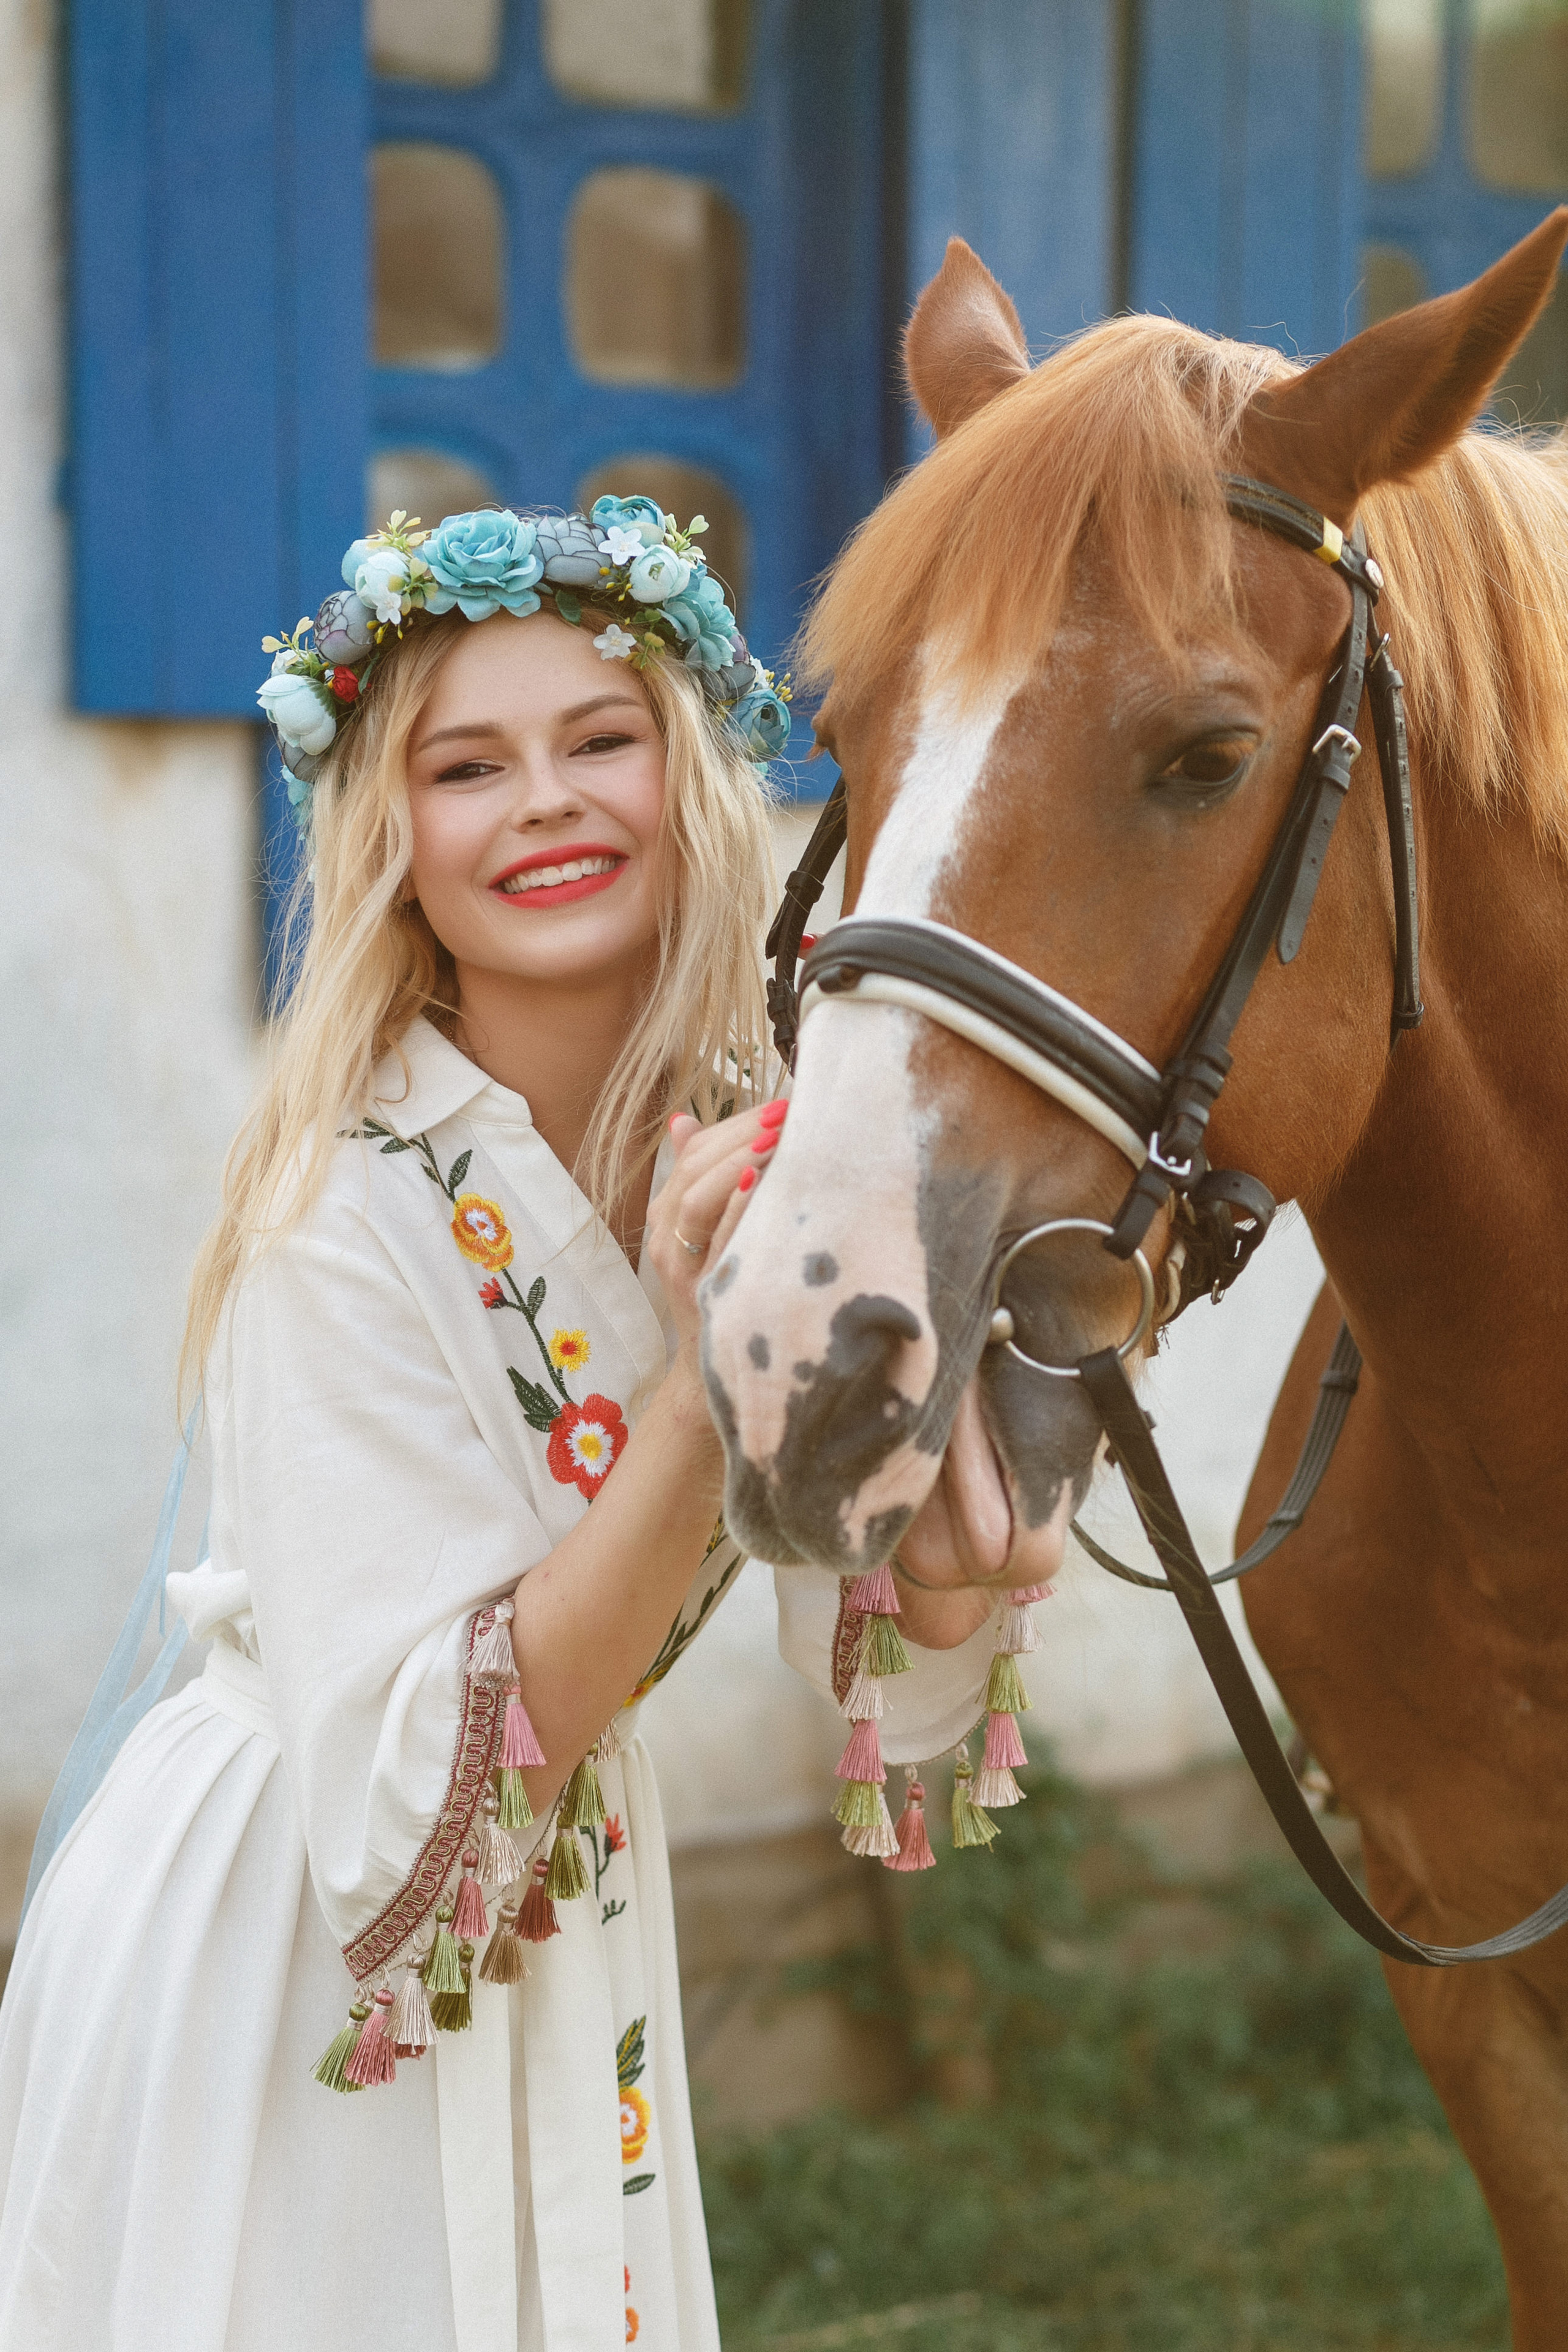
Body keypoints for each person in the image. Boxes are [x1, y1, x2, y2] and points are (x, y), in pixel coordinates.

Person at [0, 499, 1009, 2352]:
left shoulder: (768, 1147)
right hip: (292, 1934)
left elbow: (880, 1629)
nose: (543, 802)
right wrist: (702, 1387)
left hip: (561, 1897)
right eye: (467, 766)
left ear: (690, 780)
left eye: (599, 740)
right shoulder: (337, 1210)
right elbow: (416, 1806)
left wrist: (974, 1501)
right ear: (393, 841)